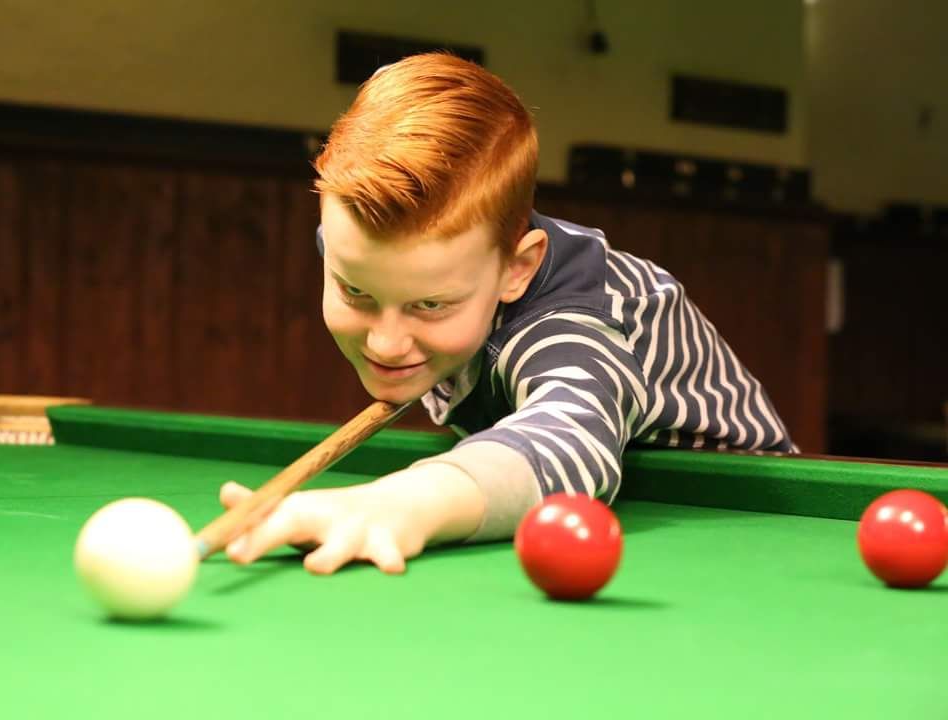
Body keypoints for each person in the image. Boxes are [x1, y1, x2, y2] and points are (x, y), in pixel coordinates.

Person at [218, 52, 794, 575]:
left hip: (759, 534)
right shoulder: (372, 250)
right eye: (356, 293)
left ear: (517, 270)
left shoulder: (571, 322)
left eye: (431, 304)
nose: (387, 343)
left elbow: (568, 438)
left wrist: (399, 503)